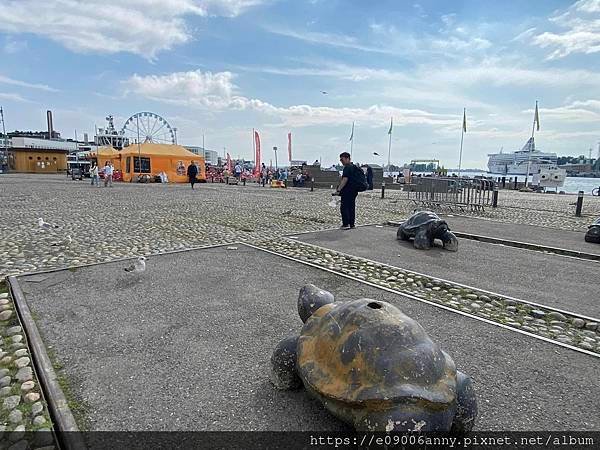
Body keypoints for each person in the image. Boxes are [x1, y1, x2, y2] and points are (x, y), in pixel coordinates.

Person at [334, 152, 360, 230]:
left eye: (342, 159)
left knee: (344, 207)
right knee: (351, 207)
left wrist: (338, 190)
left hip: (347, 190)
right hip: (354, 190)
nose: (341, 161)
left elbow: (345, 179)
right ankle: (352, 224)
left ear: (347, 158)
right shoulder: (354, 167)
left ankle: (346, 224)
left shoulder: (347, 168)